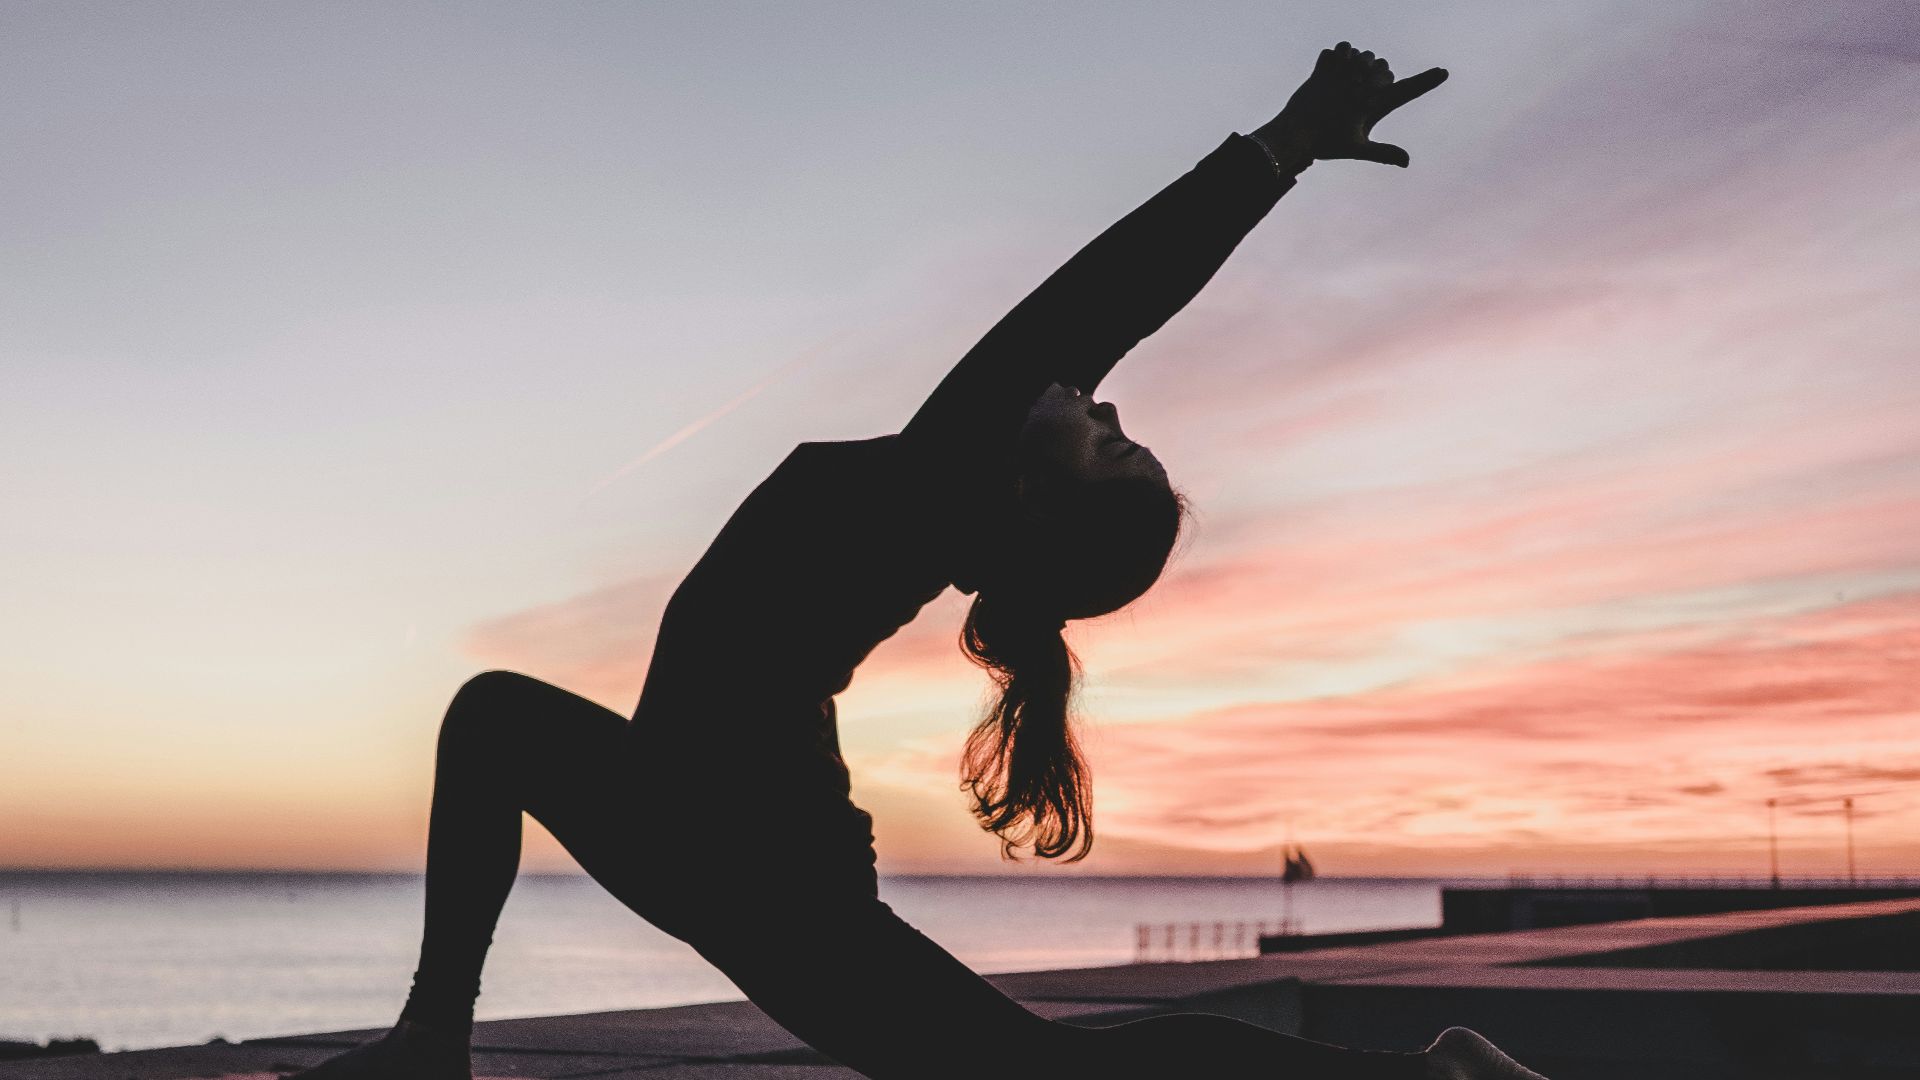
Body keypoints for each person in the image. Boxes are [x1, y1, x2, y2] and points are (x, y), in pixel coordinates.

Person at [291, 42, 1546, 1080]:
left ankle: (1426, 1076)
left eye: (1113, 444)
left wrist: (1280, 146)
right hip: (698, 819)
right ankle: (432, 1040)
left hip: (754, 860)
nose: (1106, 405)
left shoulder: (949, 476)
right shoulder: (955, 494)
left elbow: (1110, 293)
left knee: (1034, 1070)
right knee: (494, 719)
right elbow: (1098, 317)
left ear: (1036, 503)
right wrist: (1281, 150)